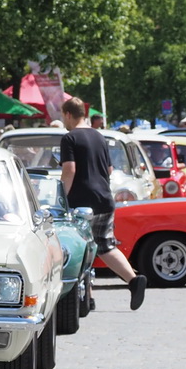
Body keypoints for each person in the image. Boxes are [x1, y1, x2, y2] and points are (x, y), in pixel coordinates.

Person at [60, 96, 146, 309]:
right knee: (104, 245)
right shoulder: (99, 136)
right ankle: (132, 280)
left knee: (79, 248)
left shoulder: (69, 138)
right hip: (104, 199)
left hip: (80, 202)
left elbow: (69, 169)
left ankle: (84, 296)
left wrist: (62, 197)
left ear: (68, 115)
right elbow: (108, 170)